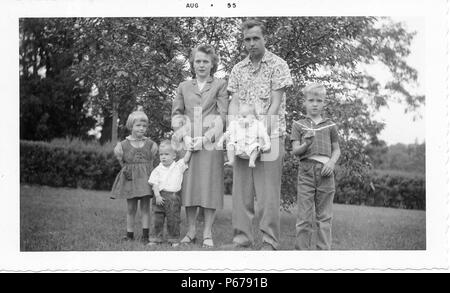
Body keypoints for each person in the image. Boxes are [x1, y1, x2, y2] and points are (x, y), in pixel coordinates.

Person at [226, 19, 293, 250]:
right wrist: (236, 132)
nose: (251, 43)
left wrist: (258, 134)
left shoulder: (278, 65)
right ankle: (241, 239)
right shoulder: (237, 69)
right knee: (241, 193)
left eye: (256, 38)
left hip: (270, 137)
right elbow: (234, 103)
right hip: (243, 138)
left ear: (265, 38)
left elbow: (275, 104)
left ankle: (270, 242)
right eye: (247, 39)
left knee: (268, 196)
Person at [172, 44, 228, 248]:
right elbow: (176, 115)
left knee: (209, 187)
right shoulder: (183, 86)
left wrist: (205, 139)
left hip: (210, 144)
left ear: (213, 63)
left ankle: (207, 234)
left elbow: (223, 116)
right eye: (198, 61)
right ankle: (191, 231)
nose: (202, 65)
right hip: (187, 144)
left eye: (206, 61)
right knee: (190, 187)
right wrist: (185, 137)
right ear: (192, 63)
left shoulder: (220, 85)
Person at [290, 83, 341, 250]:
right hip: (306, 171)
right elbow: (296, 151)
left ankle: (322, 257)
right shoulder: (298, 125)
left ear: (324, 103)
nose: (314, 104)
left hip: (326, 173)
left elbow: (336, 150)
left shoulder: (330, 125)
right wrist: (306, 144)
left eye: (319, 100)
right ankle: (301, 256)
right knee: (304, 218)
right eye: (311, 100)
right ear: (304, 102)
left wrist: (332, 162)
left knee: (324, 217)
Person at [111, 111, 158, 244]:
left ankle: (145, 236)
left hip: (145, 180)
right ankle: (129, 234)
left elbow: (152, 161)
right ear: (131, 126)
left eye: (144, 126)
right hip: (130, 180)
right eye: (138, 125)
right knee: (131, 208)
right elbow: (122, 162)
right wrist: (129, 170)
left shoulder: (151, 145)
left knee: (145, 208)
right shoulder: (122, 145)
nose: (141, 128)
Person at [147, 140, 192, 247]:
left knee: (173, 219)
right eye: (161, 154)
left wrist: (190, 149)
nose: (163, 157)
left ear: (174, 156)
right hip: (159, 196)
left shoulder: (178, 166)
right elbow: (154, 184)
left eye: (166, 154)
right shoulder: (157, 170)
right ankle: (155, 238)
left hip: (173, 197)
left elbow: (186, 159)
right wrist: (157, 195)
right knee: (156, 219)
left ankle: (174, 239)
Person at [221, 102, 271, 168]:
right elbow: (228, 132)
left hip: (251, 145)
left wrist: (267, 144)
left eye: (244, 117)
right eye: (239, 116)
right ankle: (231, 161)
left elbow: (265, 135)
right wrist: (222, 140)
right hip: (239, 146)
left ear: (252, 118)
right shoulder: (235, 123)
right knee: (230, 145)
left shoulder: (257, 125)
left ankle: (252, 161)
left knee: (256, 147)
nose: (241, 119)